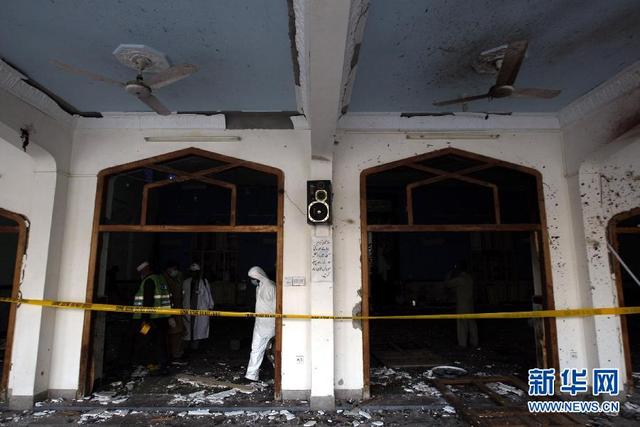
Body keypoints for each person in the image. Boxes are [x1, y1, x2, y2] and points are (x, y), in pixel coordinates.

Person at [132, 261, 172, 375]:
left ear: (145, 270)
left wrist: (145, 320)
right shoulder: (161, 279)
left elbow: (148, 302)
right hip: (162, 319)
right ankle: (161, 366)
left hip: (149, 320)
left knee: (144, 341)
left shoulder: (149, 281)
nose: (140, 275)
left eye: (141, 273)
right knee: (160, 342)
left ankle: (145, 365)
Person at [244, 266, 276, 382]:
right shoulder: (259, 287)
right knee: (256, 349)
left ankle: (279, 375)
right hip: (259, 324)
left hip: (269, 324)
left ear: (258, 277)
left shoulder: (271, 287)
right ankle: (251, 376)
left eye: (253, 279)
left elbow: (277, 306)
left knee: (271, 351)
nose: (252, 281)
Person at [182, 263, 214, 351]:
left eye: (196, 272)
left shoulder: (204, 282)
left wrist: (210, 306)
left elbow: (208, 295)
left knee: (198, 330)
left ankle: (195, 348)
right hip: (188, 309)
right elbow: (182, 296)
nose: (194, 273)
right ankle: (186, 348)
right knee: (187, 330)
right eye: (192, 272)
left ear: (199, 272)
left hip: (200, 309)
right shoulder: (186, 282)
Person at [446, 261, 478, 348]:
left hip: (462, 305)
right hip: (470, 305)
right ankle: (474, 342)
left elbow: (447, 284)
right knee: (472, 324)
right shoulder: (469, 278)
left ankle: (462, 343)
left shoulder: (460, 279)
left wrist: (450, 273)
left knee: (462, 325)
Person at [164, 262, 185, 361]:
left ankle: (177, 354)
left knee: (178, 333)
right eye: (174, 269)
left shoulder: (176, 279)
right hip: (171, 312)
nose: (175, 271)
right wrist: (170, 316)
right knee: (174, 334)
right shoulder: (165, 281)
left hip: (177, 311)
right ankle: (174, 355)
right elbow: (167, 299)